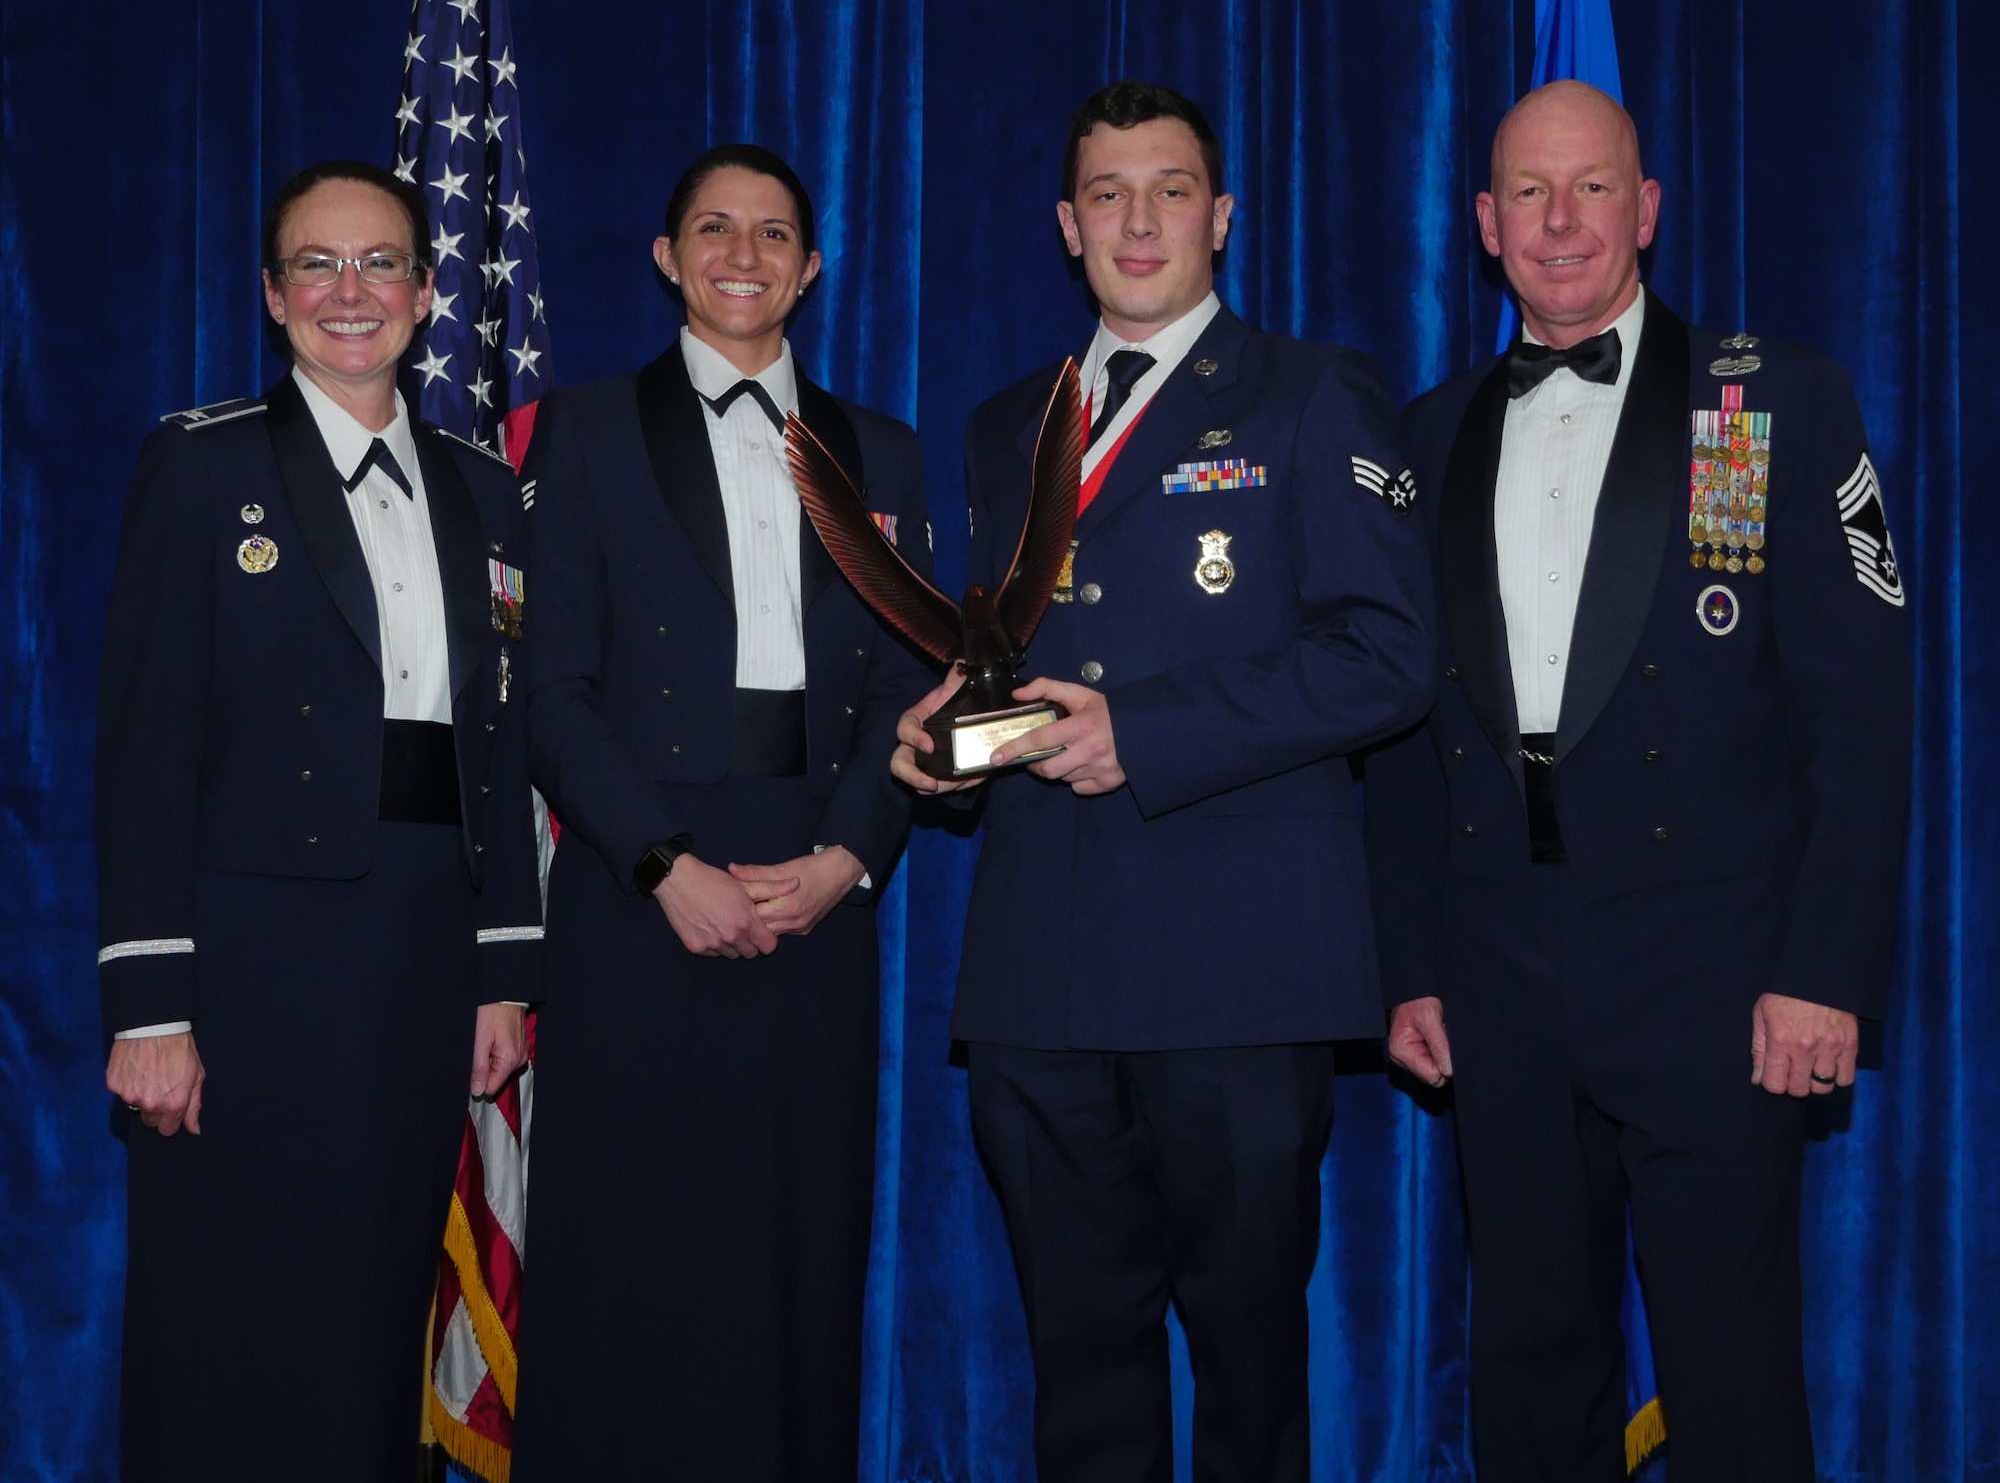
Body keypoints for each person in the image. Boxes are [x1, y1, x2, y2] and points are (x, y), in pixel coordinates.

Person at [1363, 81, 1913, 1482]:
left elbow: (1859, 717)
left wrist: (1827, 970)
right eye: (1530, 195)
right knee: (1533, 1365)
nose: (1562, 223)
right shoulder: (1426, 439)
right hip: (1500, 959)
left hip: (1718, 968)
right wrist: (1409, 965)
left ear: (1648, 206)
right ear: (1484, 225)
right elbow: (1412, 736)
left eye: (1593, 187)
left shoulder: (1766, 400)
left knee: (1730, 1372)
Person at [893, 82, 1433, 1481]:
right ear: (1068, 227)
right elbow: (1019, 662)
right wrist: (954, 745)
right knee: (1080, 1361)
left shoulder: (1316, 392)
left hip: (1239, 967)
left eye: (1172, 189)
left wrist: (1149, 732)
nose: (1141, 221)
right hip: (1042, 970)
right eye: (1111, 196)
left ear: (1223, 215)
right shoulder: (1010, 420)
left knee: (1248, 1364)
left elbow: (1387, 659)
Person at [98, 159, 541, 1481]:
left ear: (425, 292)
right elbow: (142, 746)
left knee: (375, 1286)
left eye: (380, 265)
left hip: (419, 947)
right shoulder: (201, 465)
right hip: (245, 959)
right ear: (275, 297)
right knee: (228, 1298)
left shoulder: (484, 491)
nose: (351, 293)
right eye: (317, 266)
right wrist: (150, 1002)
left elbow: (501, 748)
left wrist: (504, 968)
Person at [510, 144, 933, 1479]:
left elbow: (912, 692)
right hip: (638, 899)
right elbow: (549, 688)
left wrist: (849, 858)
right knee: (626, 1238)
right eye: (712, 229)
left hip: (814, 889)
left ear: (810, 268)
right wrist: (660, 863)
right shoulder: (579, 432)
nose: (741, 257)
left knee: (792, 1246)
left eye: (771, 236)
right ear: (665, 255)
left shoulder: (883, 450)